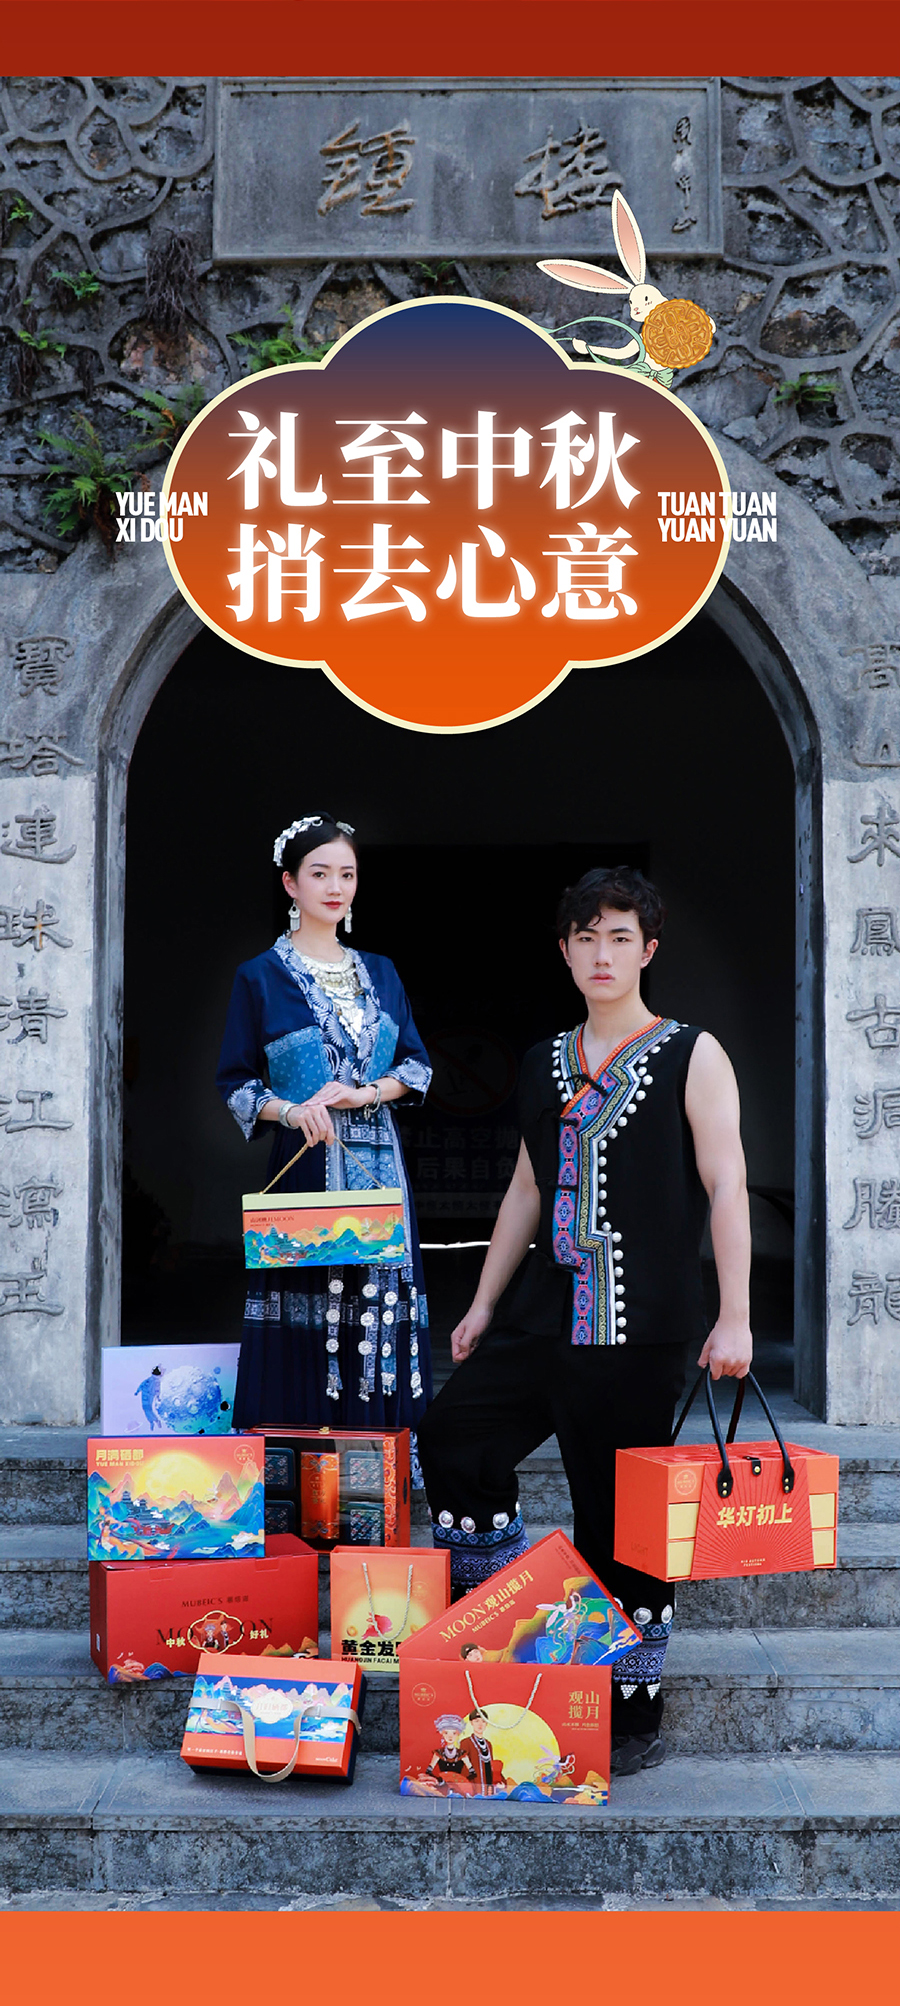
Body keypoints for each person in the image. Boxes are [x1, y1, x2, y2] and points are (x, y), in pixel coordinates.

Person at [416, 865, 753, 1776]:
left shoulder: (692, 1053)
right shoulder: (543, 1061)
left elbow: (726, 1183)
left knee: (621, 1522)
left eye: (619, 938)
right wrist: (483, 1302)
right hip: (542, 1312)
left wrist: (735, 1317)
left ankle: (631, 1715)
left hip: (642, 1328)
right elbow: (528, 1186)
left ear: (648, 950)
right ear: (564, 952)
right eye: (585, 938)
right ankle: (501, 1625)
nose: (602, 954)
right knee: (453, 1435)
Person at [216, 812, 433, 1441]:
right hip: (306, 1164)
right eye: (319, 874)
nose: (335, 887)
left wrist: (366, 1091)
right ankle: (299, 1468)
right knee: (310, 1306)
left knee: (380, 1309)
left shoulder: (382, 972)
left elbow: (417, 1068)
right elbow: (235, 1084)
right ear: (290, 883)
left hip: (380, 1166)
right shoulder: (259, 976)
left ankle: (381, 1467)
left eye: (347, 874)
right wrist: (292, 1109)